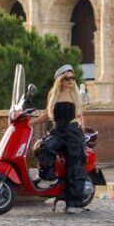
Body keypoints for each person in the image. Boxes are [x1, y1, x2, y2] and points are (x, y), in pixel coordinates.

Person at [32, 64, 87, 212]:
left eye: (72, 78)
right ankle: (49, 177)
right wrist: (31, 123)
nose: (70, 81)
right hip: (57, 131)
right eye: (67, 78)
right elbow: (47, 114)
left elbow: (80, 114)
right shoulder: (53, 95)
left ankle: (73, 204)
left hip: (72, 131)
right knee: (44, 146)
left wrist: (81, 124)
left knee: (74, 165)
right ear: (60, 80)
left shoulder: (76, 95)